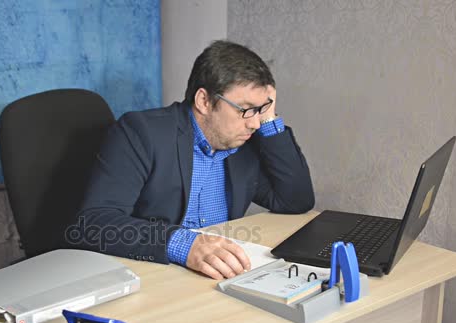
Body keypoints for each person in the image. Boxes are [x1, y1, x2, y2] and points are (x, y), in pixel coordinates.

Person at [71, 40, 314, 280]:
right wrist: (184, 244)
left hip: (213, 277)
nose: (254, 123)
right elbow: (94, 223)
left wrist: (269, 121)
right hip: (149, 273)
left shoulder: (243, 140)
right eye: (245, 109)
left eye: (261, 109)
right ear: (204, 101)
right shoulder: (141, 132)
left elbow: (294, 201)